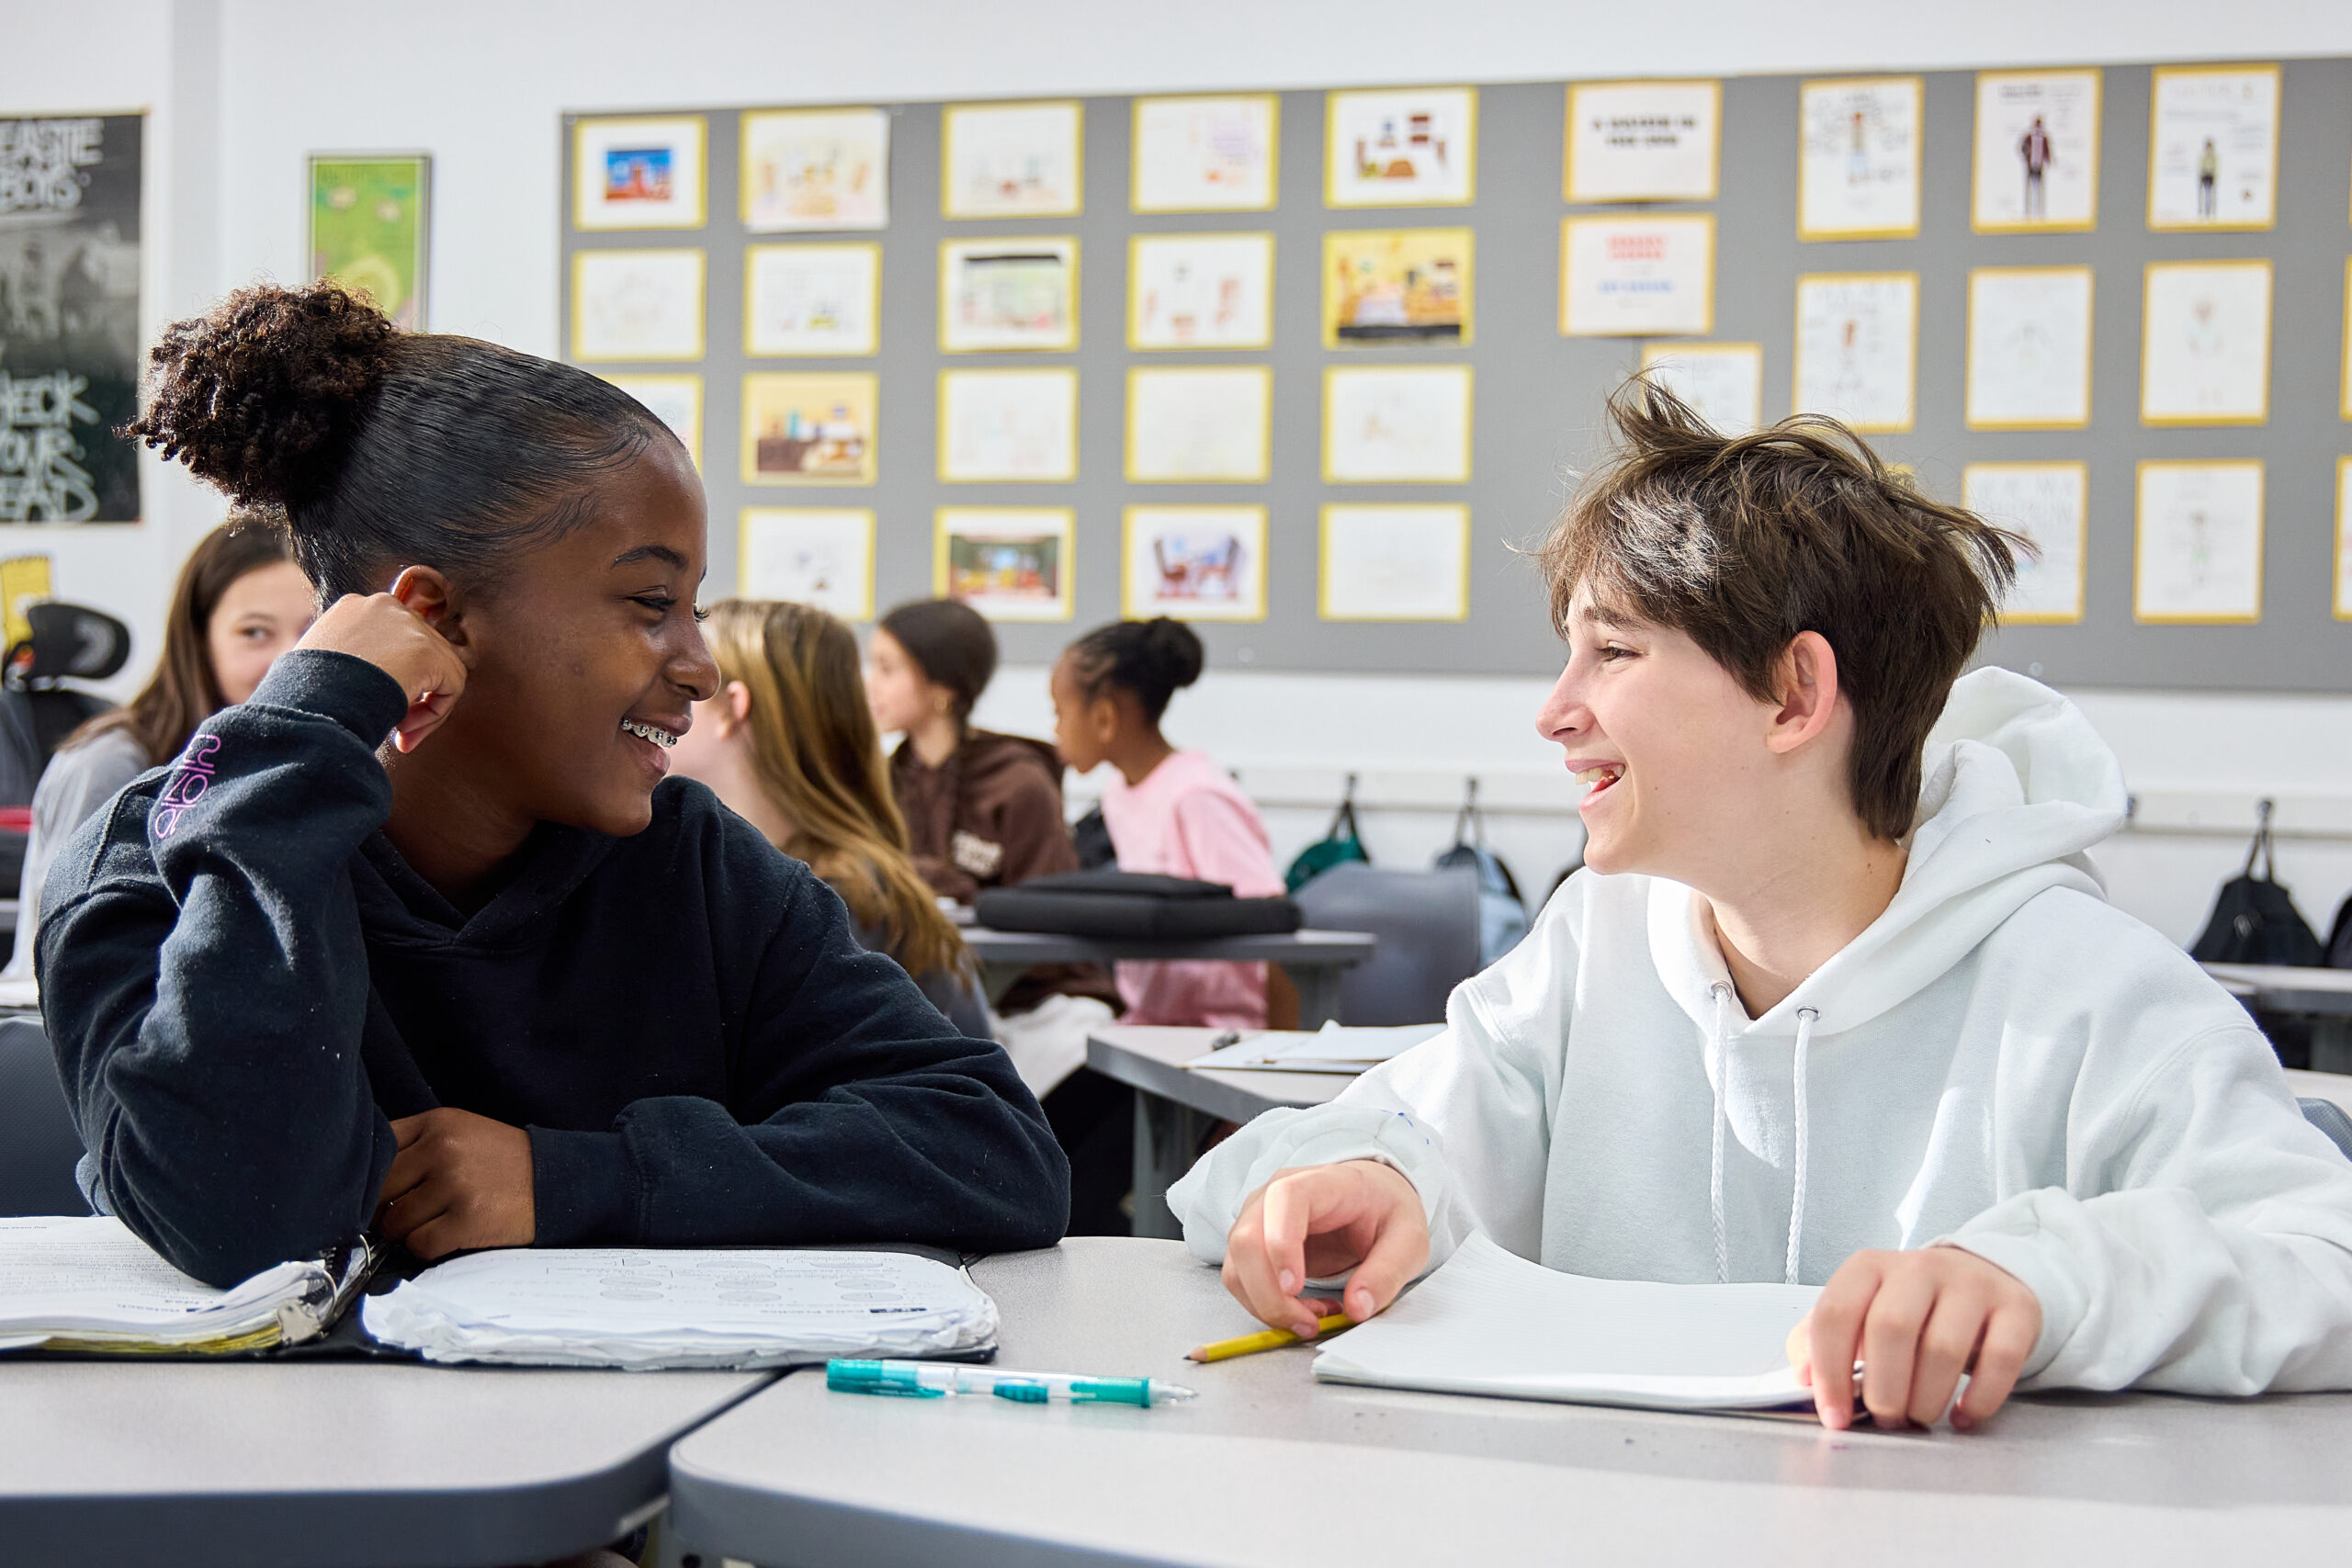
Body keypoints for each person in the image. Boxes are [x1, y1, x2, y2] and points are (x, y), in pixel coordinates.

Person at [1168, 383, 2352, 1431]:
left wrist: (2046, 1281)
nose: (1556, 712)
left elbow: (2321, 1260)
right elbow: (1322, 1158)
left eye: (1613, 653)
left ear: (1793, 693)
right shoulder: (1596, 942)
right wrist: (1368, 1180)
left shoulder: (2086, 989)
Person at [41, 281, 1066, 1287]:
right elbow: (245, 1223)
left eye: (694, 608)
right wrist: (306, 727)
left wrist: (576, 1177)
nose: (701, 665)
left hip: (650, 1444)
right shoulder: (154, 865)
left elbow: (996, 1151)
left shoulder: (692, 861)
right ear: (433, 619)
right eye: (651, 601)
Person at [870, 597, 1132, 1234]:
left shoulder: (1018, 780)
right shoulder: (884, 776)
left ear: (940, 688)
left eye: (886, 668)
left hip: (1044, 1004)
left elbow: (1050, 911)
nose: (869, 685)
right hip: (949, 999)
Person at [5, 515, 314, 981]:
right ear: (199, 637)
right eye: (254, 632)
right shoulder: (114, 765)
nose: (290, 658)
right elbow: (72, 970)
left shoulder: (310, 765)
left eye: (315, 630)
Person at [669, 597, 989, 1040]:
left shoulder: (831, 903)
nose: (661, 707)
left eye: (684, 688)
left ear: (733, 707)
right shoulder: (827, 881)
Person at [1050, 617, 1283, 1029]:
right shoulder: (1118, 793)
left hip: (1220, 1031)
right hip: (1149, 1024)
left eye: (1059, 712)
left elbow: (1275, 924)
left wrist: (1284, 1058)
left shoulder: (1197, 795)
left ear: (1104, 717)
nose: (1055, 731)